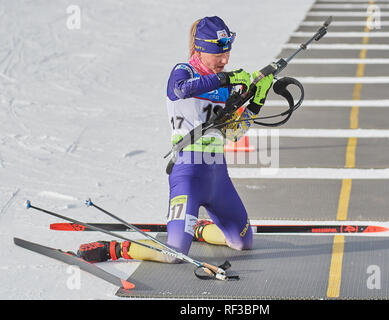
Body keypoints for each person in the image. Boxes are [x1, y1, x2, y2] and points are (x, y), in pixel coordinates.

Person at [77, 16, 273, 263]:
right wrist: (228, 78)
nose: (225, 60)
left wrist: (257, 100)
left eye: (228, 53)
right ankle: (114, 249)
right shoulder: (184, 71)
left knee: (243, 242)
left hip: (218, 176)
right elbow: (180, 89)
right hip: (188, 175)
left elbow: (232, 132)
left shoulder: (224, 86)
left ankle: (198, 229)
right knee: (175, 253)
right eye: (218, 54)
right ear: (201, 49)